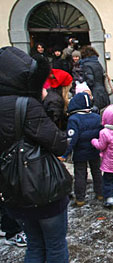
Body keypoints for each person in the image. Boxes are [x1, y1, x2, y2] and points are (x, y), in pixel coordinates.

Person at [0, 46, 69, 262]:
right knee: (55, 245)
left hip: (12, 188)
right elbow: (58, 144)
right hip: (42, 187)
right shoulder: (25, 105)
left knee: (34, 245)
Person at [59, 92, 103, 207]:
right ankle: (100, 193)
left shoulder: (74, 119)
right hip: (94, 150)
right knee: (97, 172)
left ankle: (80, 199)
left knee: (80, 174)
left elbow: (71, 139)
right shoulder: (97, 117)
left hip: (80, 152)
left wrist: (65, 154)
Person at [80, 45, 110, 110]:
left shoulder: (86, 65)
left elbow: (90, 80)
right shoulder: (97, 63)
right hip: (102, 91)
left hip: (94, 93)